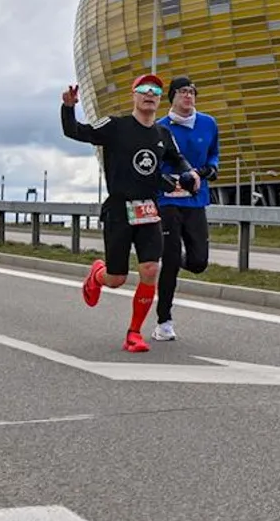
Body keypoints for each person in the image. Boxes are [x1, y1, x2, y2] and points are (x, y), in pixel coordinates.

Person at [60, 74, 200, 354]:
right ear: (134, 95)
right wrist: (68, 108)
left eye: (156, 91)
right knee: (116, 279)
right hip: (119, 210)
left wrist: (189, 173)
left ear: (160, 99)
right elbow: (75, 131)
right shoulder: (115, 125)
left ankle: (134, 333)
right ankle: (98, 274)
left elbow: (176, 158)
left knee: (151, 269)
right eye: (144, 89)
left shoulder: (162, 134)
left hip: (148, 209)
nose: (150, 94)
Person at [153, 75, 220, 342]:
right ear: (172, 96)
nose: (188, 96)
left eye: (192, 91)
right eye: (182, 91)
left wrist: (210, 169)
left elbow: (214, 154)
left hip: (196, 199)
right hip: (169, 200)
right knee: (169, 264)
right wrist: (168, 181)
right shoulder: (159, 128)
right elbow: (153, 164)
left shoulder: (208, 123)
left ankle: (174, 257)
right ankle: (164, 321)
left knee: (198, 262)